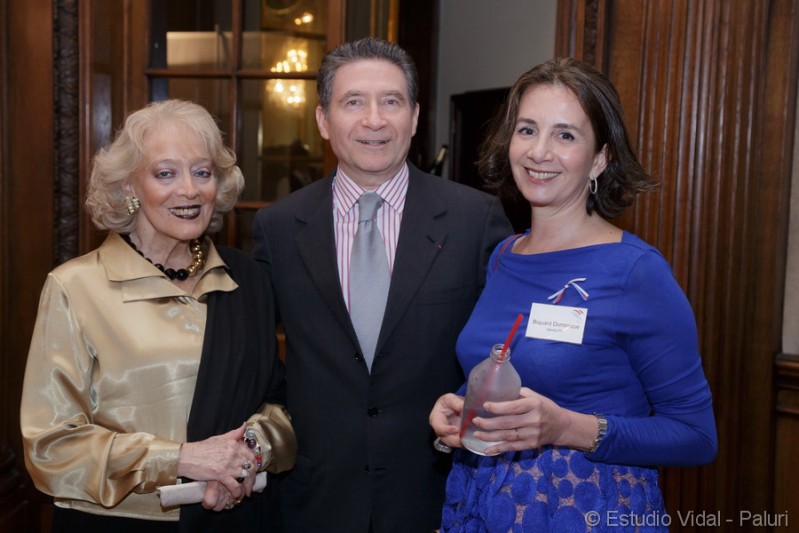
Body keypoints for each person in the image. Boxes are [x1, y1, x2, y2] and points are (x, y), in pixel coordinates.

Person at [429, 57, 717, 532]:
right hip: (482, 502)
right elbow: (511, 373)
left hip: (585, 510)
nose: (539, 151)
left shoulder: (636, 272)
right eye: (527, 130)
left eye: (565, 135)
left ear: (600, 158)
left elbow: (696, 437)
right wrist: (458, 410)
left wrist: (566, 427)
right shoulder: (504, 255)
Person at [252, 37, 513, 532]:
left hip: (438, 493)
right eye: (353, 102)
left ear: (414, 118)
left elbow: (500, 354)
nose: (374, 120)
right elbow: (256, 363)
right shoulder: (279, 226)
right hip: (315, 497)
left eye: (391, 101)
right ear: (323, 120)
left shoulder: (475, 219)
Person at [20, 99, 297, 532]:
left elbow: (283, 404)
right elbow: (50, 447)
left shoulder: (246, 281)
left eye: (202, 172)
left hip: (236, 518)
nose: (189, 190)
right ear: (129, 186)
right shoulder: (75, 287)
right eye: (165, 173)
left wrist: (246, 454)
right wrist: (181, 459)